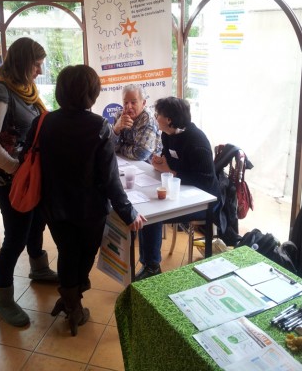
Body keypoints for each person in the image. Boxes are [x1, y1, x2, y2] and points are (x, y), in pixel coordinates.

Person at [23, 64, 146, 336]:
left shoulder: (43, 122)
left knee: (67, 251)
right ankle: (72, 302)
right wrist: (128, 213)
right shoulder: (98, 127)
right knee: (84, 255)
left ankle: (71, 299)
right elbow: (110, 179)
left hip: (53, 205)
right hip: (89, 209)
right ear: (91, 93)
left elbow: (26, 157)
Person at [0, 37, 58, 327]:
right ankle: (3, 298)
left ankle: (39, 269)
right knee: (15, 237)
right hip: (9, 178)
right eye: (36, 65)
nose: (39, 71)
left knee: (36, 223)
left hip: (28, 174)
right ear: (24, 63)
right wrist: (16, 170)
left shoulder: (27, 91)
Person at [135, 97, 223, 281]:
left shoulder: (196, 141)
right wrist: (162, 162)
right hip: (180, 191)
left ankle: (151, 267)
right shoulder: (167, 134)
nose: (155, 116)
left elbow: (204, 179)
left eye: (158, 114)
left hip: (204, 201)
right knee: (145, 212)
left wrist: (171, 171)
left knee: (151, 216)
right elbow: (170, 159)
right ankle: (149, 264)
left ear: (168, 119)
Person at [112, 84, 161, 162]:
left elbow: (141, 153)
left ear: (143, 103)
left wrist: (121, 148)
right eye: (125, 102)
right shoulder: (119, 115)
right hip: (126, 162)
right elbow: (111, 148)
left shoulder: (148, 118)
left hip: (148, 166)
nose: (129, 106)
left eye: (133, 102)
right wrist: (116, 129)